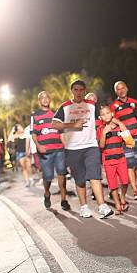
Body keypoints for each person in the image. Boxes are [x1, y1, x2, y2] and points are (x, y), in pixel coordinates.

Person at [52, 80, 114, 219]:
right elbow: (54, 124)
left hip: (91, 146)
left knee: (95, 175)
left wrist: (118, 125)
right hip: (73, 148)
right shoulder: (65, 107)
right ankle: (83, 207)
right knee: (80, 180)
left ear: (85, 91)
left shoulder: (92, 105)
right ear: (72, 91)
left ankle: (102, 206)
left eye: (81, 90)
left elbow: (105, 115)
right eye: (76, 90)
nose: (79, 92)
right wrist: (72, 125)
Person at [31, 91, 70, 210]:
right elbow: (33, 133)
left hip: (59, 150)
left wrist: (67, 147)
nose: (45, 99)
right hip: (45, 152)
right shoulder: (35, 116)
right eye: (42, 97)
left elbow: (62, 133)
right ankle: (47, 193)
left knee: (61, 173)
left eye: (47, 97)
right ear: (39, 101)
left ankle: (64, 199)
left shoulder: (57, 114)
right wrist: (38, 145)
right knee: (48, 176)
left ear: (50, 99)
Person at [97, 106, 130, 214]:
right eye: (103, 114)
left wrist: (120, 123)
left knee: (125, 182)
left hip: (121, 159)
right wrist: (104, 133)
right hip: (108, 161)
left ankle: (123, 197)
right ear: (100, 117)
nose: (106, 115)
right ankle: (117, 204)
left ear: (112, 114)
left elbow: (128, 139)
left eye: (107, 113)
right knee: (113, 185)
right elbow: (101, 146)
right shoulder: (101, 129)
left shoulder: (118, 126)